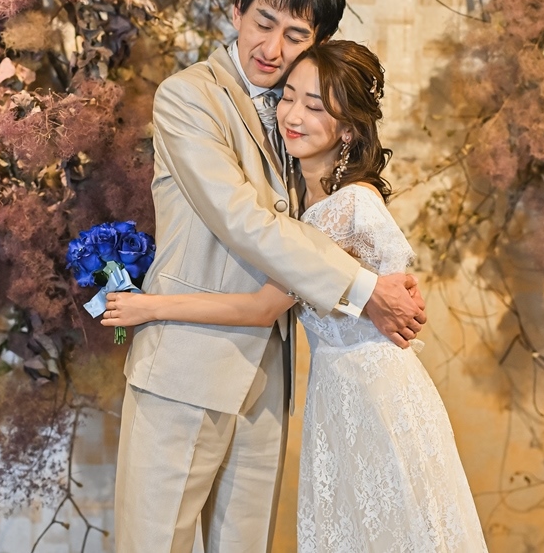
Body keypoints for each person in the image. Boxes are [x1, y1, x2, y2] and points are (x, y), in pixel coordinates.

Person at [104, 41, 490, 552]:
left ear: (347, 130)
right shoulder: (306, 199)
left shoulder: (341, 208)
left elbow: (262, 308)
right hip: (341, 391)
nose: (292, 115)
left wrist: (150, 305)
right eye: (288, 97)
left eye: (315, 107)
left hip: (372, 394)